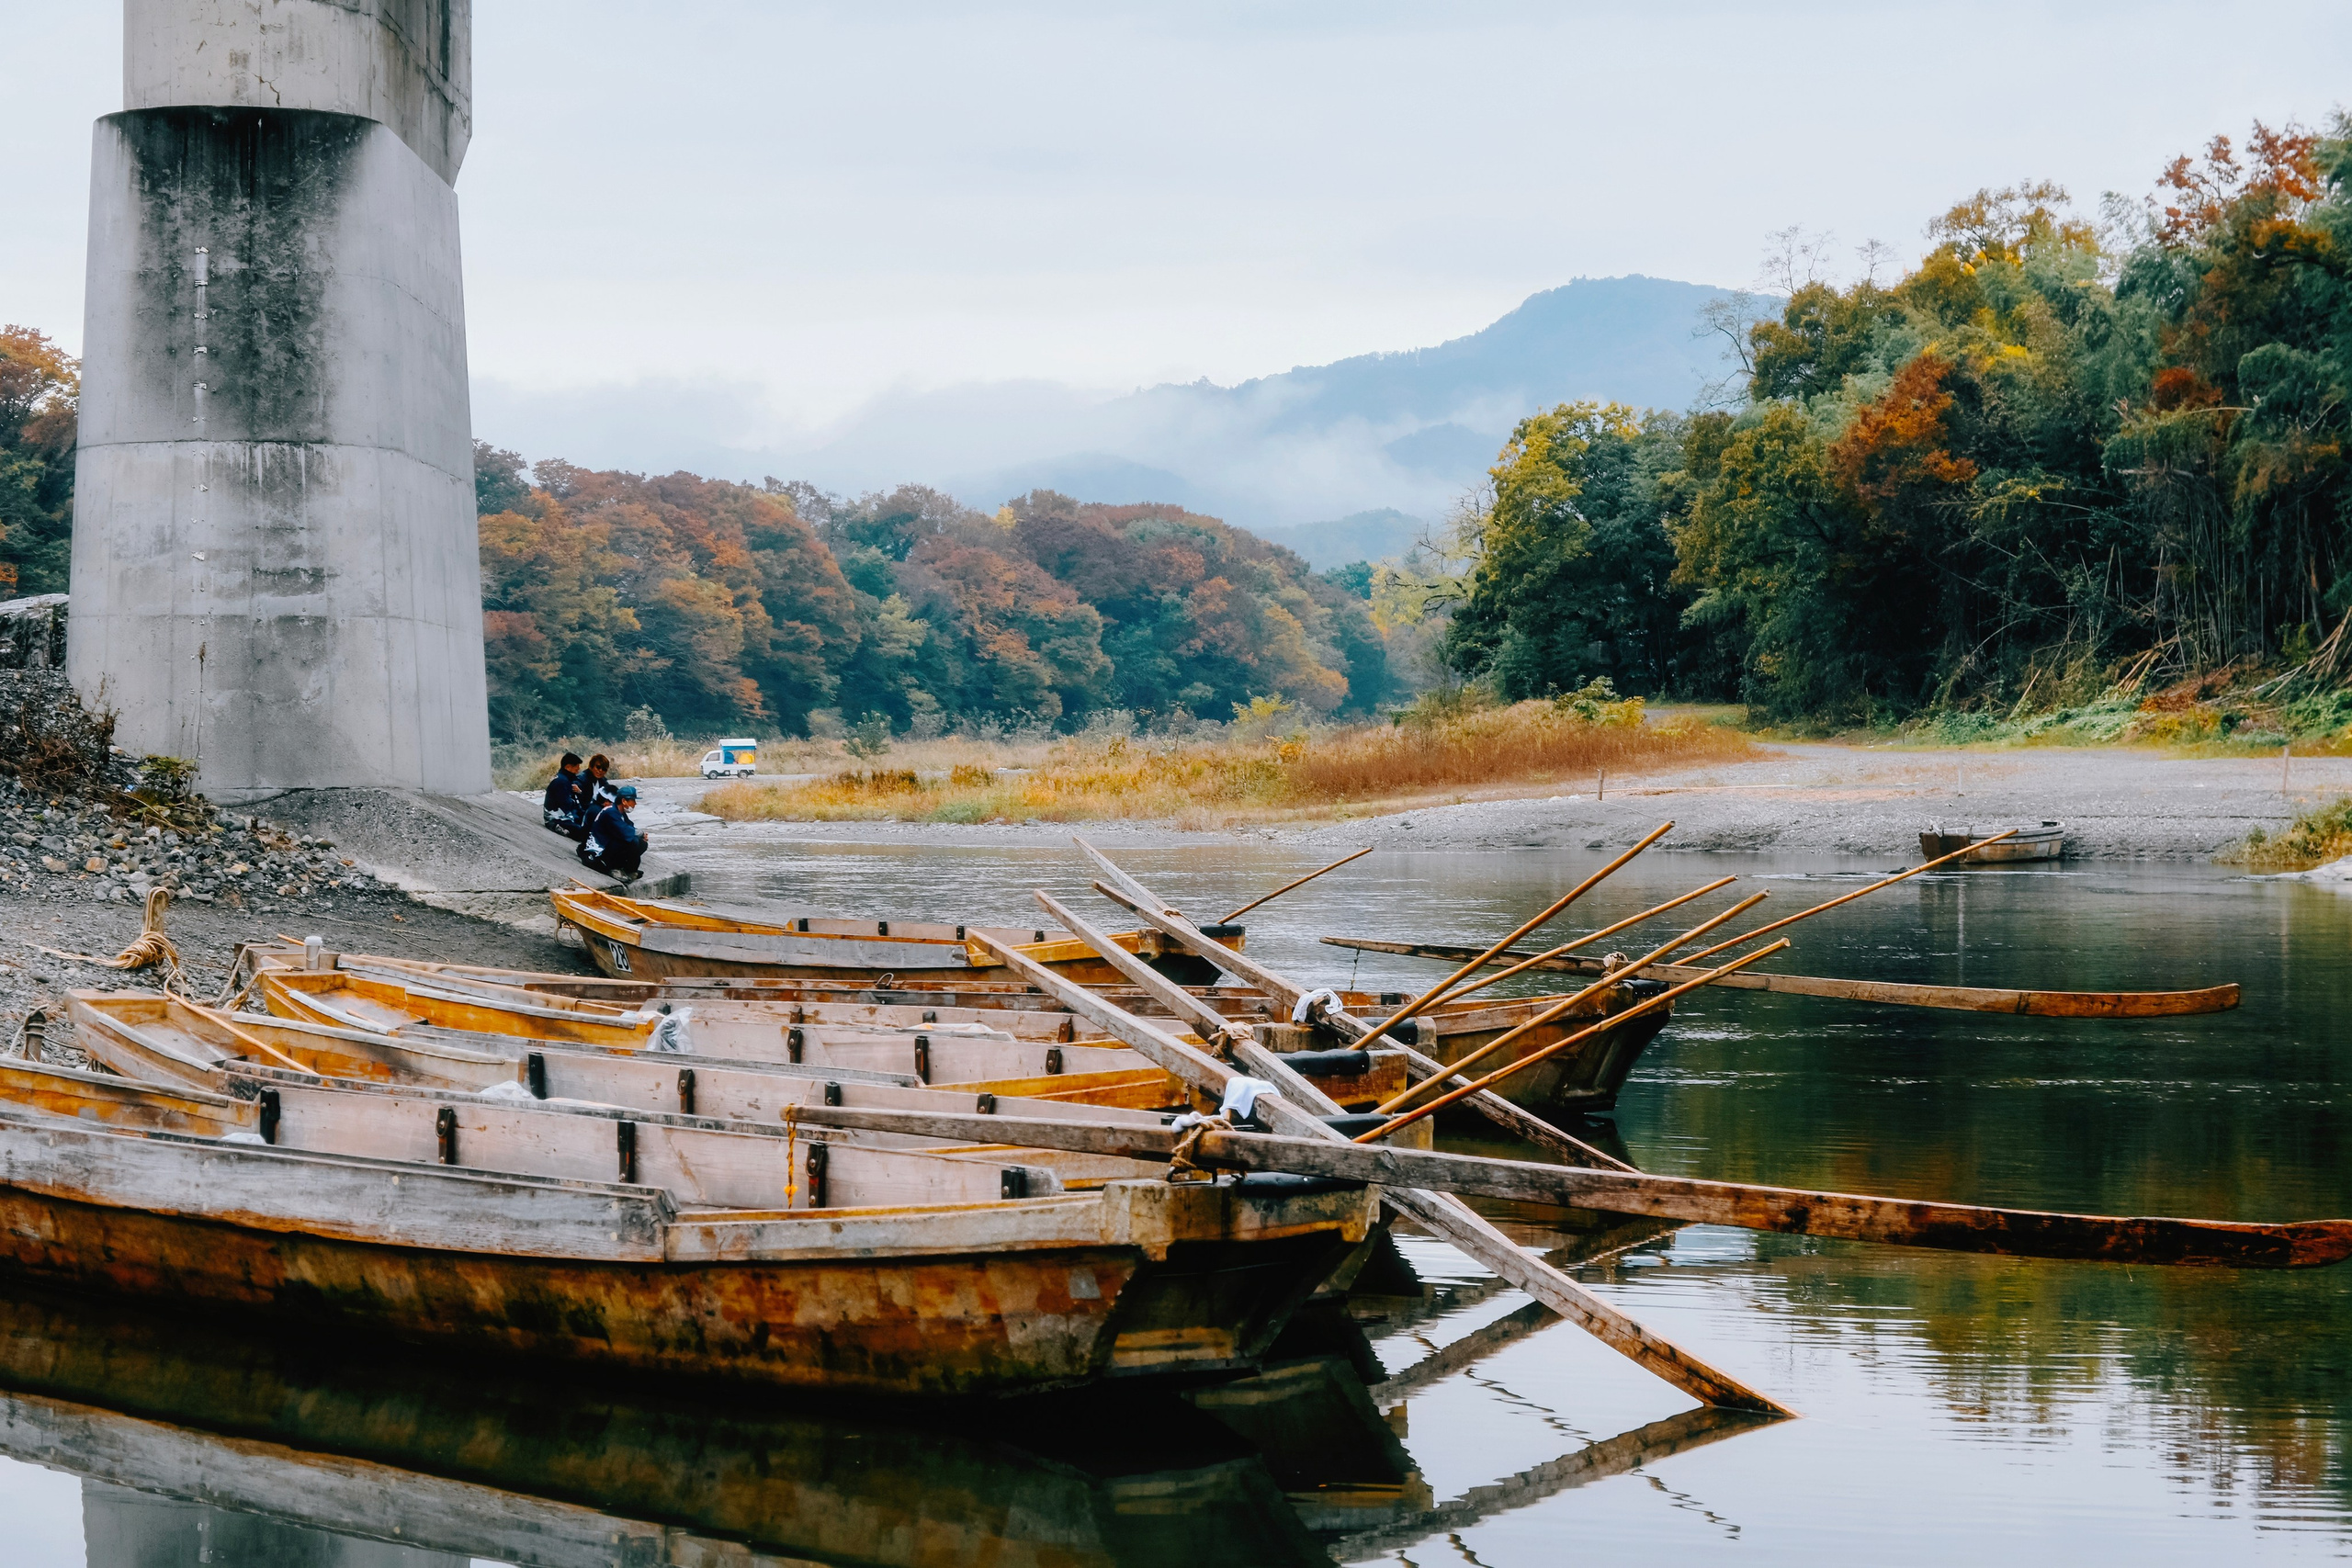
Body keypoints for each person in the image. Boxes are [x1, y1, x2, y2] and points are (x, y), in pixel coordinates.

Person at [579, 783, 649, 881]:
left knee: (642, 844)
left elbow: (630, 826)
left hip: (609, 846)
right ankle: (614, 868)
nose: (635, 804)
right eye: (633, 800)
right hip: (599, 851)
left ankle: (629, 870)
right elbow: (624, 831)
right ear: (624, 801)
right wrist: (640, 833)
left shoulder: (620, 812)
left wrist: (641, 835)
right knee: (633, 841)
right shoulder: (610, 812)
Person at [541, 752, 585, 836]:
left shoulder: (565, 779)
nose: (578, 771)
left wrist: (578, 793)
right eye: (576, 769)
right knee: (582, 832)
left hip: (562, 816)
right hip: (555, 818)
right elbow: (566, 804)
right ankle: (555, 826)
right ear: (568, 767)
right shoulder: (561, 782)